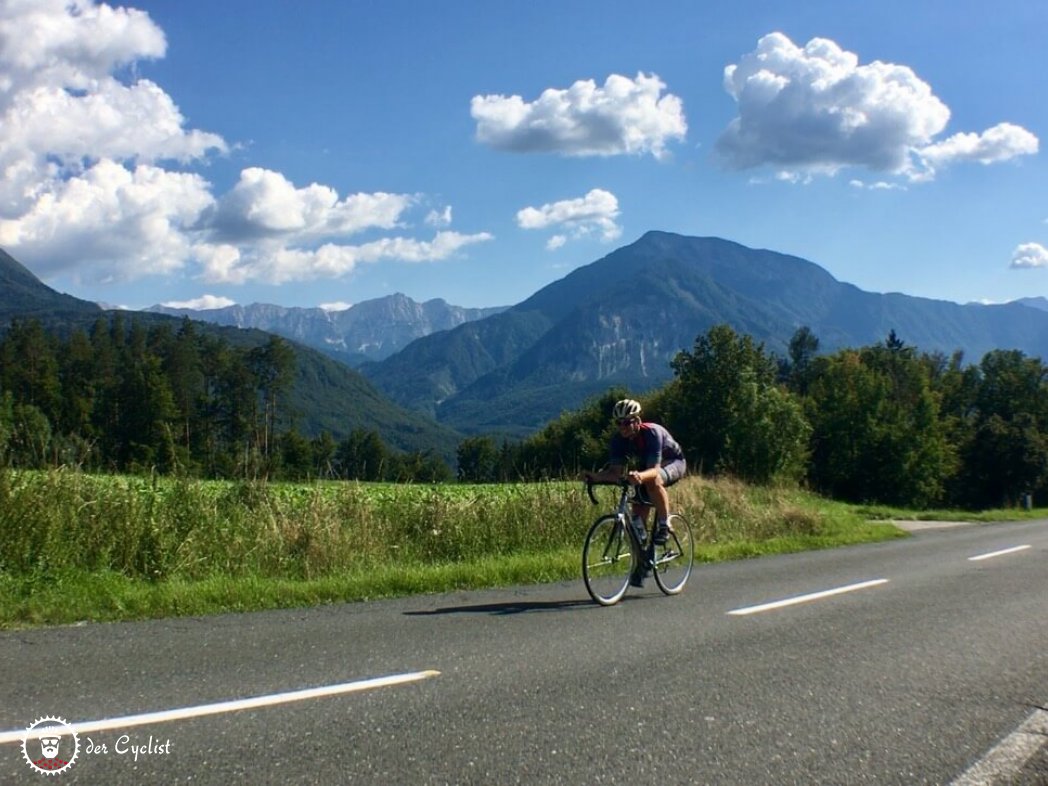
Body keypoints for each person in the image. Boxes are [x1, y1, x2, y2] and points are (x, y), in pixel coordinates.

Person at [583, 398, 687, 586]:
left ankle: (664, 524)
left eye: (626, 422)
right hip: (645, 467)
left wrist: (639, 476)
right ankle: (645, 560)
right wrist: (595, 477)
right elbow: (615, 473)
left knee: (653, 480)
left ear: (637, 421)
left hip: (672, 463)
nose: (622, 427)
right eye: (618, 423)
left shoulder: (652, 433)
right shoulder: (618, 440)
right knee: (637, 516)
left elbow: (654, 470)